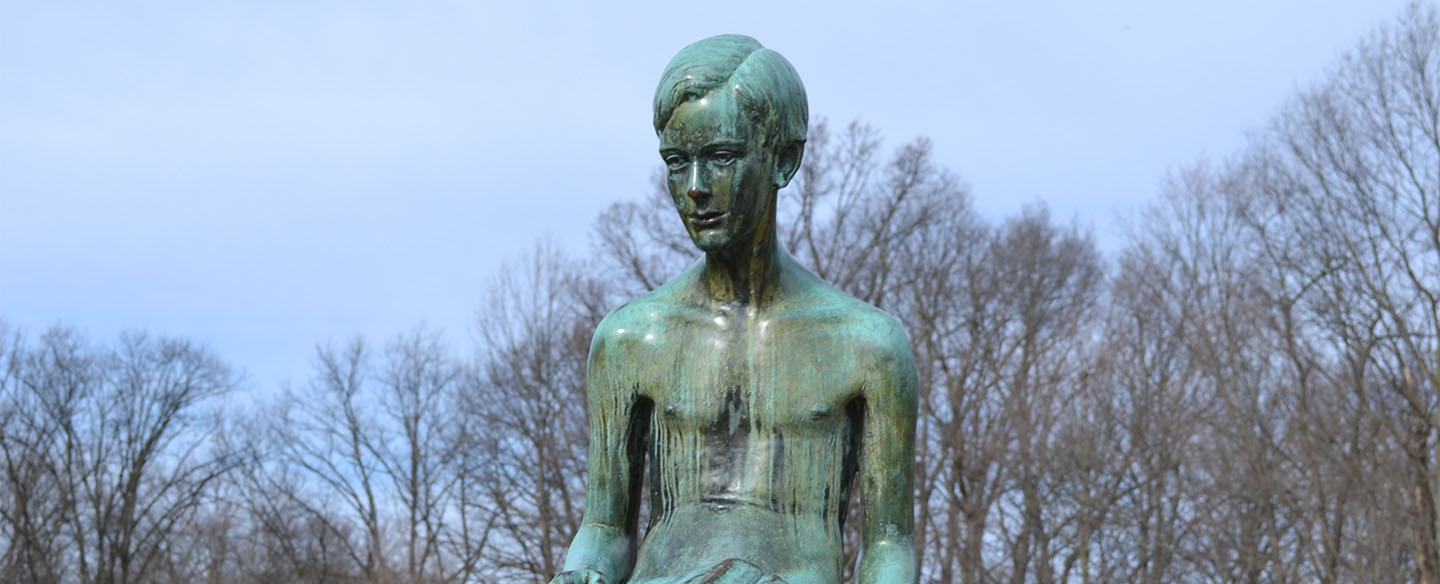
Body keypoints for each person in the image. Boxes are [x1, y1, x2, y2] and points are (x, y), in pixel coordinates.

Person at [550, 34, 917, 584]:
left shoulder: (869, 347)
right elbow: (605, 529)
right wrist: (580, 573)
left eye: (721, 157)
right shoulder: (631, 340)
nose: (695, 187)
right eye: (677, 162)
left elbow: (889, 545)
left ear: (783, 160)